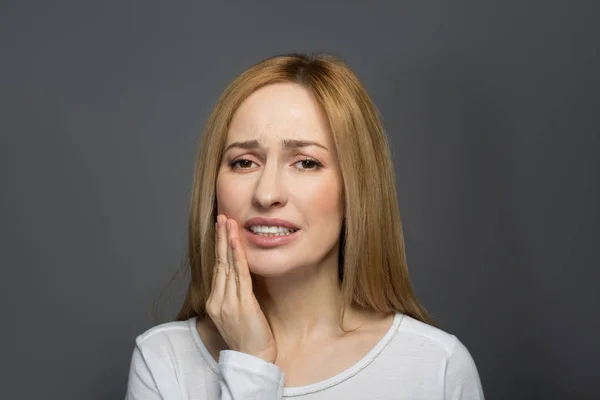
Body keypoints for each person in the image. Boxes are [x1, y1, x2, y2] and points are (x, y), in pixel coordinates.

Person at [125, 53, 484, 399]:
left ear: (356, 188)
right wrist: (249, 364)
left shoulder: (435, 368)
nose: (267, 194)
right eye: (244, 162)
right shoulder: (164, 361)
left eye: (307, 163)